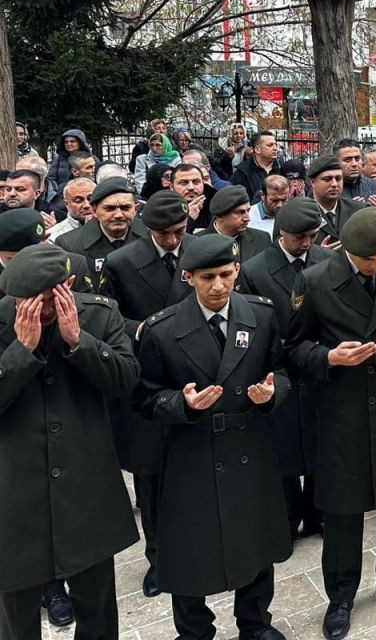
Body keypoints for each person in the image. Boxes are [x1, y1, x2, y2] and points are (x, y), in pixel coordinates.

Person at [135, 233, 292, 640]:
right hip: (191, 450)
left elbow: (283, 369)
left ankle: (255, 622)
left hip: (248, 442)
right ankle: (194, 630)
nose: (219, 285)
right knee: (188, 547)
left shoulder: (260, 314)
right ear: (188, 277)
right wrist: (183, 405)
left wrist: (272, 394)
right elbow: (144, 398)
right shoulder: (163, 330)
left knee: (255, 536)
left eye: (226, 274)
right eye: (208, 277)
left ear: (238, 270)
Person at [285, 208, 376, 639]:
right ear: (349, 252)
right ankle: (341, 594)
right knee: (345, 509)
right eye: (369, 260)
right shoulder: (315, 281)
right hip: (343, 410)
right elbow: (292, 348)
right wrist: (329, 357)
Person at [0, 245, 140, 640]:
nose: (41, 312)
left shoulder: (99, 313)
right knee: (16, 612)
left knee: (96, 606)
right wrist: (20, 351)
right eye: (29, 303)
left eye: (48, 301)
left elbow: (126, 379)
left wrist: (80, 342)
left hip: (85, 481)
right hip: (14, 491)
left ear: (70, 285)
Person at [101, 189, 194, 598]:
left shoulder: (199, 250)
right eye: (163, 233)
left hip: (193, 370)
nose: (172, 241)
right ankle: (158, 557)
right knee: (152, 476)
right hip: (147, 375)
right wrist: (144, 329)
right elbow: (107, 317)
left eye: (179, 231)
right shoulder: (122, 261)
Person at [239, 197, 334, 539]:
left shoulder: (326, 259)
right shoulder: (255, 269)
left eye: (312, 235)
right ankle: (288, 516)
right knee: (285, 451)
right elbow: (251, 323)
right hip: (280, 371)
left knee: (321, 447)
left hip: (320, 368)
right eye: (300, 237)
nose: (307, 243)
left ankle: (318, 514)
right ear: (283, 232)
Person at [55, 177, 146, 292]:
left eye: (125, 207)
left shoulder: (150, 237)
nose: (118, 214)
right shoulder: (70, 245)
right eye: (110, 208)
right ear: (94, 210)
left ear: (135, 209)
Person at [203, 184, 272, 264]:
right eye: (240, 212)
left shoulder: (262, 239)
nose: (247, 218)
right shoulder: (196, 242)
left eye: (248, 210)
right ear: (220, 216)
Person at [308, 156, 361, 246]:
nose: (334, 184)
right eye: (327, 179)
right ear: (312, 182)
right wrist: (317, 254)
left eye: (338, 178)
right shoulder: (299, 214)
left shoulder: (358, 210)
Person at [230, 132, 281, 203]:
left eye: (275, 145)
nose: (275, 148)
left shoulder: (282, 169)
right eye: (270, 145)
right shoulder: (242, 174)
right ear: (257, 149)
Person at [335, 139, 376, 206]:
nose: (354, 164)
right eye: (347, 159)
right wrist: (347, 211)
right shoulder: (332, 188)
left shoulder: (375, 186)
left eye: (357, 158)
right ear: (336, 162)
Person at [46, 177, 95, 242]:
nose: (87, 205)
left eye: (91, 199)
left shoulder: (111, 227)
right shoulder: (54, 237)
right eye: (78, 200)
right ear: (67, 204)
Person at [172, 161, 216, 231]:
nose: (191, 187)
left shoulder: (218, 207)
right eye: (184, 183)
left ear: (203, 183)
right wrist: (188, 220)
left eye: (196, 182)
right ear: (171, 186)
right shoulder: (163, 210)